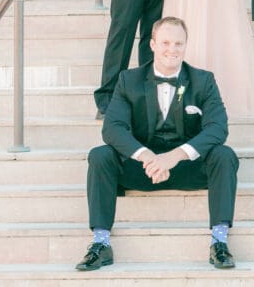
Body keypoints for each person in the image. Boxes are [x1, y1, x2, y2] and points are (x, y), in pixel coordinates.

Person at [77, 17, 240, 271]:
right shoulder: (128, 80)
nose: (171, 49)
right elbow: (112, 128)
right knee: (100, 156)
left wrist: (174, 156)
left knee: (224, 155)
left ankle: (219, 240)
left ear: (186, 46)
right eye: (165, 42)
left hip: (187, 168)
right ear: (152, 44)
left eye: (178, 43)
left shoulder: (203, 81)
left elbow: (218, 128)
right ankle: (101, 243)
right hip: (143, 169)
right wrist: (147, 157)